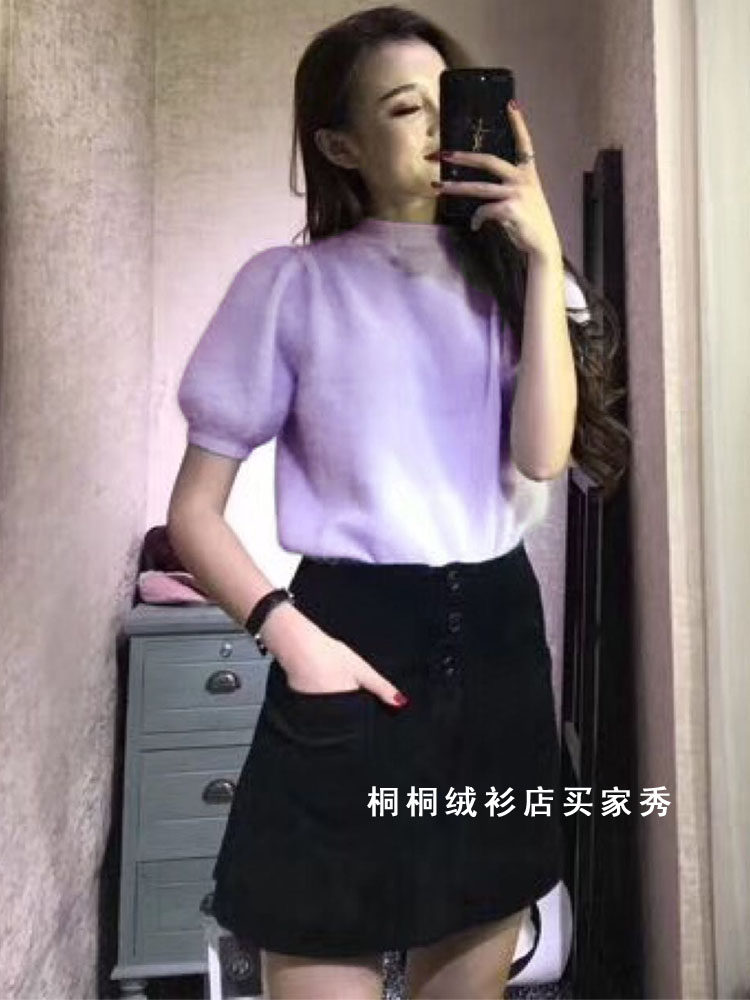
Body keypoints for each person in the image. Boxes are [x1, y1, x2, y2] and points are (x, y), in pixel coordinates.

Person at [167, 6, 629, 998]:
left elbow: (543, 456)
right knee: (311, 938)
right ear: (341, 145)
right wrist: (293, 638)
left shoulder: (519, 279)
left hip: (498, 647)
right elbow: (193, 514)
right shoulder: (287, 287)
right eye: (402, 108)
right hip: (350, 637)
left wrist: (543, 256)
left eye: (445, 103)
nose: (434, 128)